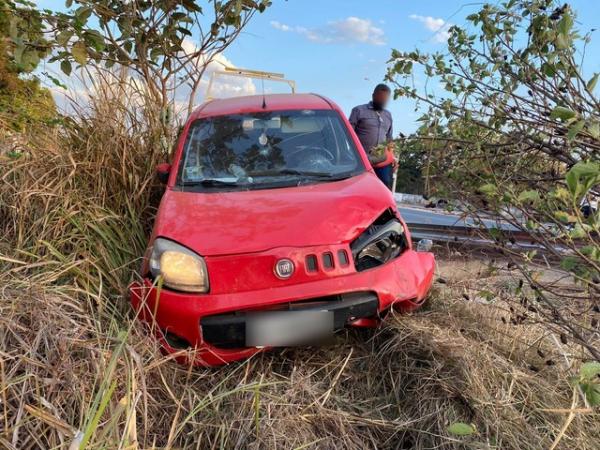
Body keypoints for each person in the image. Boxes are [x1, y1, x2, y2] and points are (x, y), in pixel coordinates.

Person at [349, 84, 396, 189]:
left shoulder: (388, 115)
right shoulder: (358, 111)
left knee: (385, 186)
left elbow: (389, 138)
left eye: (385, 98)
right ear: (373, 95)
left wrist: (393, 158)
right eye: (380, 97)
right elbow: (348, 135)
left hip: (382, 160)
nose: (382, 100)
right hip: (361, 160)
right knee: (360, 188)